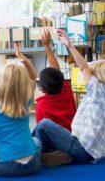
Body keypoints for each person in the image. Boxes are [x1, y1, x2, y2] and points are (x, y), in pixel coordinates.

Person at [33, 30, 105, 166]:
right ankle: (61, 154)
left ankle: (34, 157)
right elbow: (57, 71)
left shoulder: (98, 92)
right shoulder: (66, 90)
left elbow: (83, 67)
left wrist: (70, 45)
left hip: (80, 147)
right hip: (92, 152)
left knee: (42, 126)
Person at [0, 43, 41, 176]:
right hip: (33, 164)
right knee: (36, 141)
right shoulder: (25, 102)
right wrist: (21, 57)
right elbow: (33, 76)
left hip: (7, 167)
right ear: (23, 85)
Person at [36, 29, 76, 131]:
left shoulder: (42, 106)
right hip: (73, 138)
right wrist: (47, 46)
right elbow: (56, 70)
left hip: (54, 145)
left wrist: (46, 45)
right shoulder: (67, 92)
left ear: (43, 89)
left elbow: (41, 131)